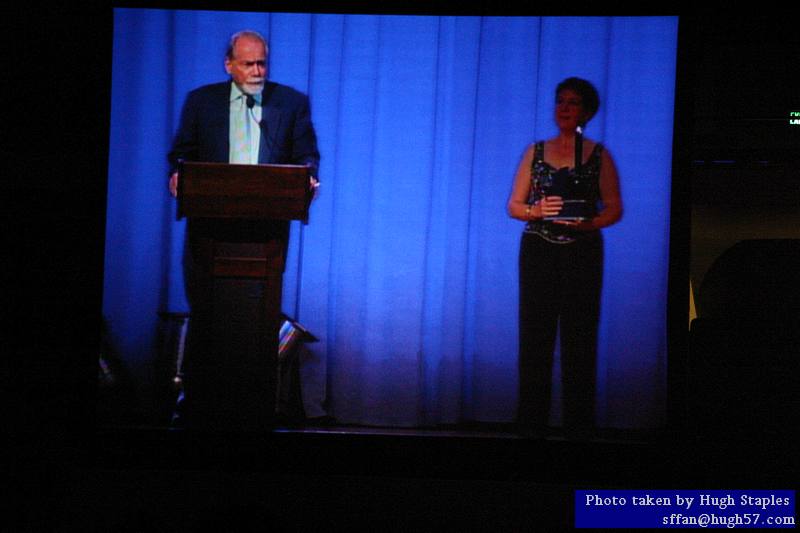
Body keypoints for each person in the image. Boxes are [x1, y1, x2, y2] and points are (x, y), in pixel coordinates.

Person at [167, 30, 320, 429]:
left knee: (256, 318)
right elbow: (182, 153)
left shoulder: (290, 103)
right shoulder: (201, 102)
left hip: (265, 232)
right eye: (249, 63)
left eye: (262, 63)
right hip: (210, 229)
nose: (257, 71)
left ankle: (255, 405)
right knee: (208, 314)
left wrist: (309, 177)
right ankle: (202, 403)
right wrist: (177, 176)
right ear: (229, 64)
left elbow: (306, 153)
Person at [507, 77, 622, 439]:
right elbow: (513, 205)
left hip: (582, 252)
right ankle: (530, 426)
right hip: (539, 249)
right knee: (534, 338)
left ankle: (578, 429)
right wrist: (536, 211)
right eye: (560, 101)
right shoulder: (535, 151)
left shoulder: (599, 155)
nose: (564, 108)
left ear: (587, 110)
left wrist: (589, 224)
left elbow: (614, 209)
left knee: (579, 339)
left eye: (573, 102)